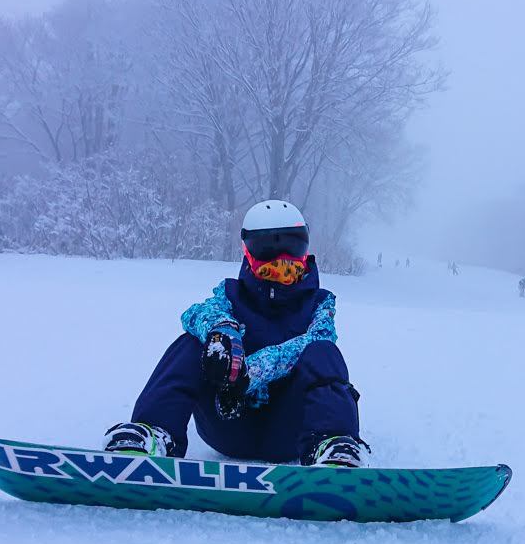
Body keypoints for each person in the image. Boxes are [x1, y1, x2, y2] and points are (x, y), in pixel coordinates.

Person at [103, 199, 369, 468]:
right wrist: (222, 331)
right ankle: (154, 434)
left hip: (291, 429)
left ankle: (332, 444)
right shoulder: (230, 295)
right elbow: (195, 315)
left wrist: (250, 372)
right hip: (226, 422)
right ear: (249, 250)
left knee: (323, 352)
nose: (281, 259)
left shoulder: (319, 304)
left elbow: (317, 339)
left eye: (291, 245)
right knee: (191, 343)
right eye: (267, 248)